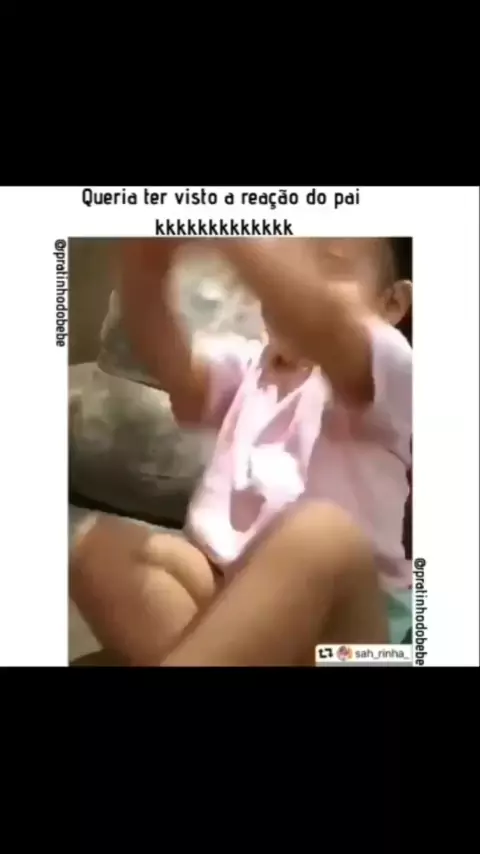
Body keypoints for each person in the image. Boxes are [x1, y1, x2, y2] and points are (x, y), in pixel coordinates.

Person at [70, 237, 412, 666]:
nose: (293, 280)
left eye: (328, 265)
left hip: (351, 637)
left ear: (391, 303)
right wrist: (145, 269)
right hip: (233, 597)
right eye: (290, 259)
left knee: (322, 535)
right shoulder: (251, 365)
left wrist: (236, 240)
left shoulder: (393, 372)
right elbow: (179, 375)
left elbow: (325, 326)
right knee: (102, 551)